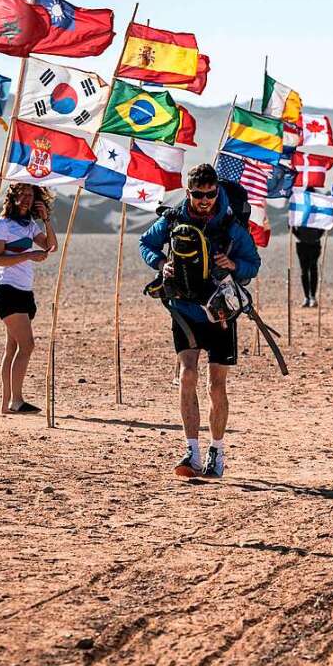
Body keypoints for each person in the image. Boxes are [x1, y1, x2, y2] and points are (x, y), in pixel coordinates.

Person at [139, 163, 261, 479]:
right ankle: (191, 452)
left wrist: (233, 263)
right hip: (184, 309)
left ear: (216, 191)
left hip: (220, 314)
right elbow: (146, 244)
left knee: (215, 386)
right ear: (189, 191)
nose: (205, 200)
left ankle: (216, 452)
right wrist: (162, 262)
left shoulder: (230, 224)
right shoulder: (173, 218)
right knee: (187, 375)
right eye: (198, 194)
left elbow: (253, 264)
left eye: (210, 194)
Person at [0, 183, 57, 414]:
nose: (27, 199)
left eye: (31, 195)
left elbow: (51, 246)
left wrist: (46, 220)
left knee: (12, 348)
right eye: (23, 194)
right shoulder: (2, 224)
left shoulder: (29, 225)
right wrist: (29, 255)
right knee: (27, 346)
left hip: (25, 292)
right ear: (14, 196)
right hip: (7, 291)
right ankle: (17, 401)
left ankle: (7, 403)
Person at [293, 210, 325, 307]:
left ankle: (313, 297)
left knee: (313, 268)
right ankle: (306, 297)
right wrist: (299, 236)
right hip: (301, 244)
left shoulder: (317, 212)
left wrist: (316, 237)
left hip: (314, 244)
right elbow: (291, 225)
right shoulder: (298, 210)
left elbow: (323, 225)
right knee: (304, 271)